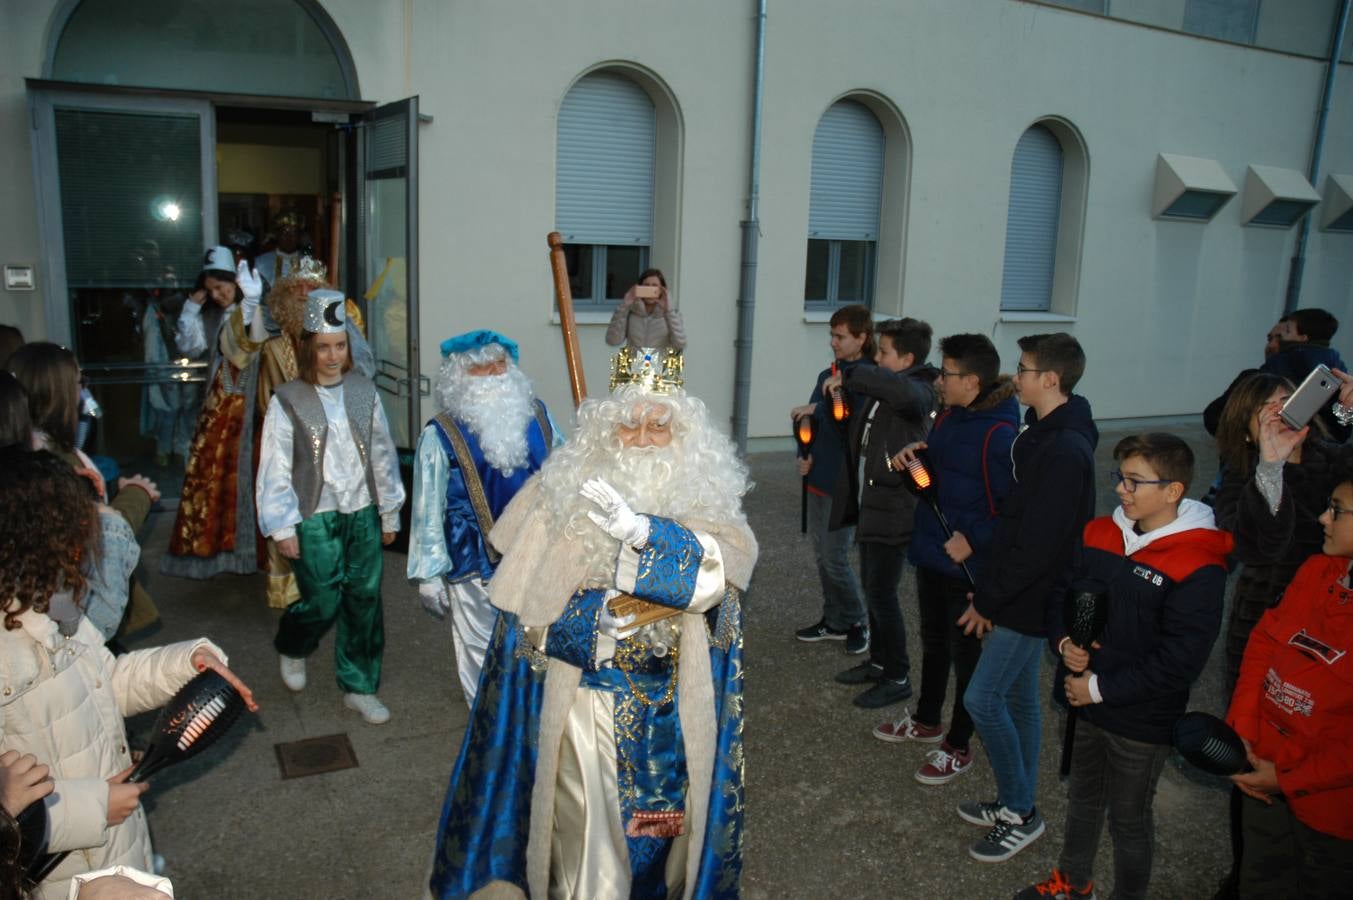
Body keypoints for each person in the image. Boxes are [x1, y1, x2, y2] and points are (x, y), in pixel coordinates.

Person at [428, 352, 757, 899]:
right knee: (594, 856)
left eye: (660, 424)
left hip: (673, 714)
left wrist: (643, 535)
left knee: (661, 837)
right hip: (588, 712)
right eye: (629, 423)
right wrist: (590, 622)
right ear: (605, 431)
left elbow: (721, 579)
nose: (644, 438)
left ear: (686, 433)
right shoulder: (556, 498)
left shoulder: (710, 499)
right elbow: (522, 621)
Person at [0, 446, 256, 900]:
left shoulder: (52, 610)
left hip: (113, 845)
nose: (84, 545)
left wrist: (186, 661)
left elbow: (107, 681)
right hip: (62, 875)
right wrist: (95, 807)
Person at [1017, 433, 1231, 900]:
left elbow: (1181, 660)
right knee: (1082, 800)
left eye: (1135, 481)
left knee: (1129, 819)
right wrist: (1065, 640)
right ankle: (1073, 884)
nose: (1121, 489)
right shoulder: (1098, 534)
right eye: (1120, 477)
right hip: (1083, 703)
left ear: (1173, 491)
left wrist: (1099, 688)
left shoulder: (1198, 562)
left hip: (1139, 718)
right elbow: (1061, 596)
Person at [957, 332, 1097, 863]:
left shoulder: (1063, 449)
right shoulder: (1044, 432)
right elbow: (1019, 526)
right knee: (1019, 701)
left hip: (1030, 598)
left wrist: (989, 599)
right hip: (1020, 590)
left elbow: (1039, 544)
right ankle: (1017, 800)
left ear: (1051, 380)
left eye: (1024, 368)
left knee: (981, 698)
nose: (1016, 377)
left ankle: (1020, 812)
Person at [256, 288, 405, 725]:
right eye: (323, 347)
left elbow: (382, 453)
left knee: (364, 599)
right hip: (314, 514)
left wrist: (389, 511)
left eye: (339, 345)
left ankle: (359, 685)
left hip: (361, 511)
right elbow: (276, 466)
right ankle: (294, 643)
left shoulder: (364, 393)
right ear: (308, 348)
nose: (333, 355)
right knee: (321, 600)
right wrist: (283, 527)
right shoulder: (288, 400)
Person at [876, 333, 1018, 787]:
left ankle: (958, 743)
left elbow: (1011, 509)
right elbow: (944, 478)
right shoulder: (950, 415)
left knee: (966, 656)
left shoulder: (1000, 434)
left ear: (972, 381)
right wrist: (916, 460)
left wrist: (973, 540)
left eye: (949, 373)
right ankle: (926, 718)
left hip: (964, 565)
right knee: (933, 642)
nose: (940, 379)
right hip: (932, 552)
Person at [408, 330, 561, 706]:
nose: (493, 373)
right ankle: (487, 717)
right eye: (480, 367)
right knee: (481, 643)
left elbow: (564, 474)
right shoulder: (439, 434)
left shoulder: (539, 415)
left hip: (535, 550)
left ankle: (528, 711)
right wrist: (428, 572)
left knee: (535, 634)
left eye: (500, 364)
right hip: (473, 557)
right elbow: (426, 506)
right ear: (459, 376)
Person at [1223, 470, 1353, 899]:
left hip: (1328, 811)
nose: (1322, 519)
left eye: (1336, 510)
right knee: (1259, 880)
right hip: (1261, 769)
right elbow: (1262, 644)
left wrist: (1288, 778)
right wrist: (1242, 731)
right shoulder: (1317, 571)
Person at [8, 345, 161, 641]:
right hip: (76, 619)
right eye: (80, 382)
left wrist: (116, 490)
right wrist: (138, 495)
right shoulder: (51, 466)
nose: (84, 392)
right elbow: (100, 535)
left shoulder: (28, 454)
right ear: (59, 394)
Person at [823, 318, 937, 708]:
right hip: (872, 507)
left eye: (884, 352)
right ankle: (878, 663)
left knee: (884, 595)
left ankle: (897, 675)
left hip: (896, 512)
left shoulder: (919, 390)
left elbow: (900, 393)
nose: (878, 359)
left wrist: (854, 373)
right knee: (874, 591)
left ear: (906, 358)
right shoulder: (884, 387)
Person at [255, 257, 375, 609]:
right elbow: (268, 405)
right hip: (294, 453)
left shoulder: (339, 341)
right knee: (292, 518)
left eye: (314, 288)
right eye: (298, 289)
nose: (306, 295)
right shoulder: (274, 349)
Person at [162, 249, 268, 581]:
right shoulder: (211, 315)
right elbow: (189, 346)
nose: (218, 296)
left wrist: (249, 306)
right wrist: (193, 306)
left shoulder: (258, 311)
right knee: (213, 480)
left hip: (250, 410)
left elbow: (250, 352)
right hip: (218, 409)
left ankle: (251, 554)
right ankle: (219, 551)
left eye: (222, 287)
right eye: (212, 291)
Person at [792, 304, 875, 654]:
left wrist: (820, 408)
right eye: (832, 335)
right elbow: (807, 419)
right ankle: (834, 619)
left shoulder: (869, 377)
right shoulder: (827, 373)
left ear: (862, 338)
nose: (834, 342)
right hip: (819, 475)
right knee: (822, 556)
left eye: (840, 336)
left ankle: (858, 620)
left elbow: (849, 420)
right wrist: (804, 454)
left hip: (844, 482)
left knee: (835, 557)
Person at [1261, 307, 1350, 442]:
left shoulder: (1281, 362)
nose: (1280, 338)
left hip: (1284, 440)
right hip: (1328, 445)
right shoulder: (1338, 367)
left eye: (1287, 331)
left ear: (1303, 338)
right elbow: (1343, 420)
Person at [605, 268, 686, 351]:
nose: (650, 290)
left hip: (660, 363)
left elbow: (680, 344)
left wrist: (669, 312)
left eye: (654, 286)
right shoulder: (630, 312)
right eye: (646, 285)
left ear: (662, 289)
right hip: (634, 363)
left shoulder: (672, 314)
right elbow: (612, 341)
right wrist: (624, 306)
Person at [254, 209, 307, 288]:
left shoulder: (308, 263)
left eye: (294, 233)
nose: (289, 238)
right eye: (284, 233)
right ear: (277, 235)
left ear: (299, 236)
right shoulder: (261, 262)